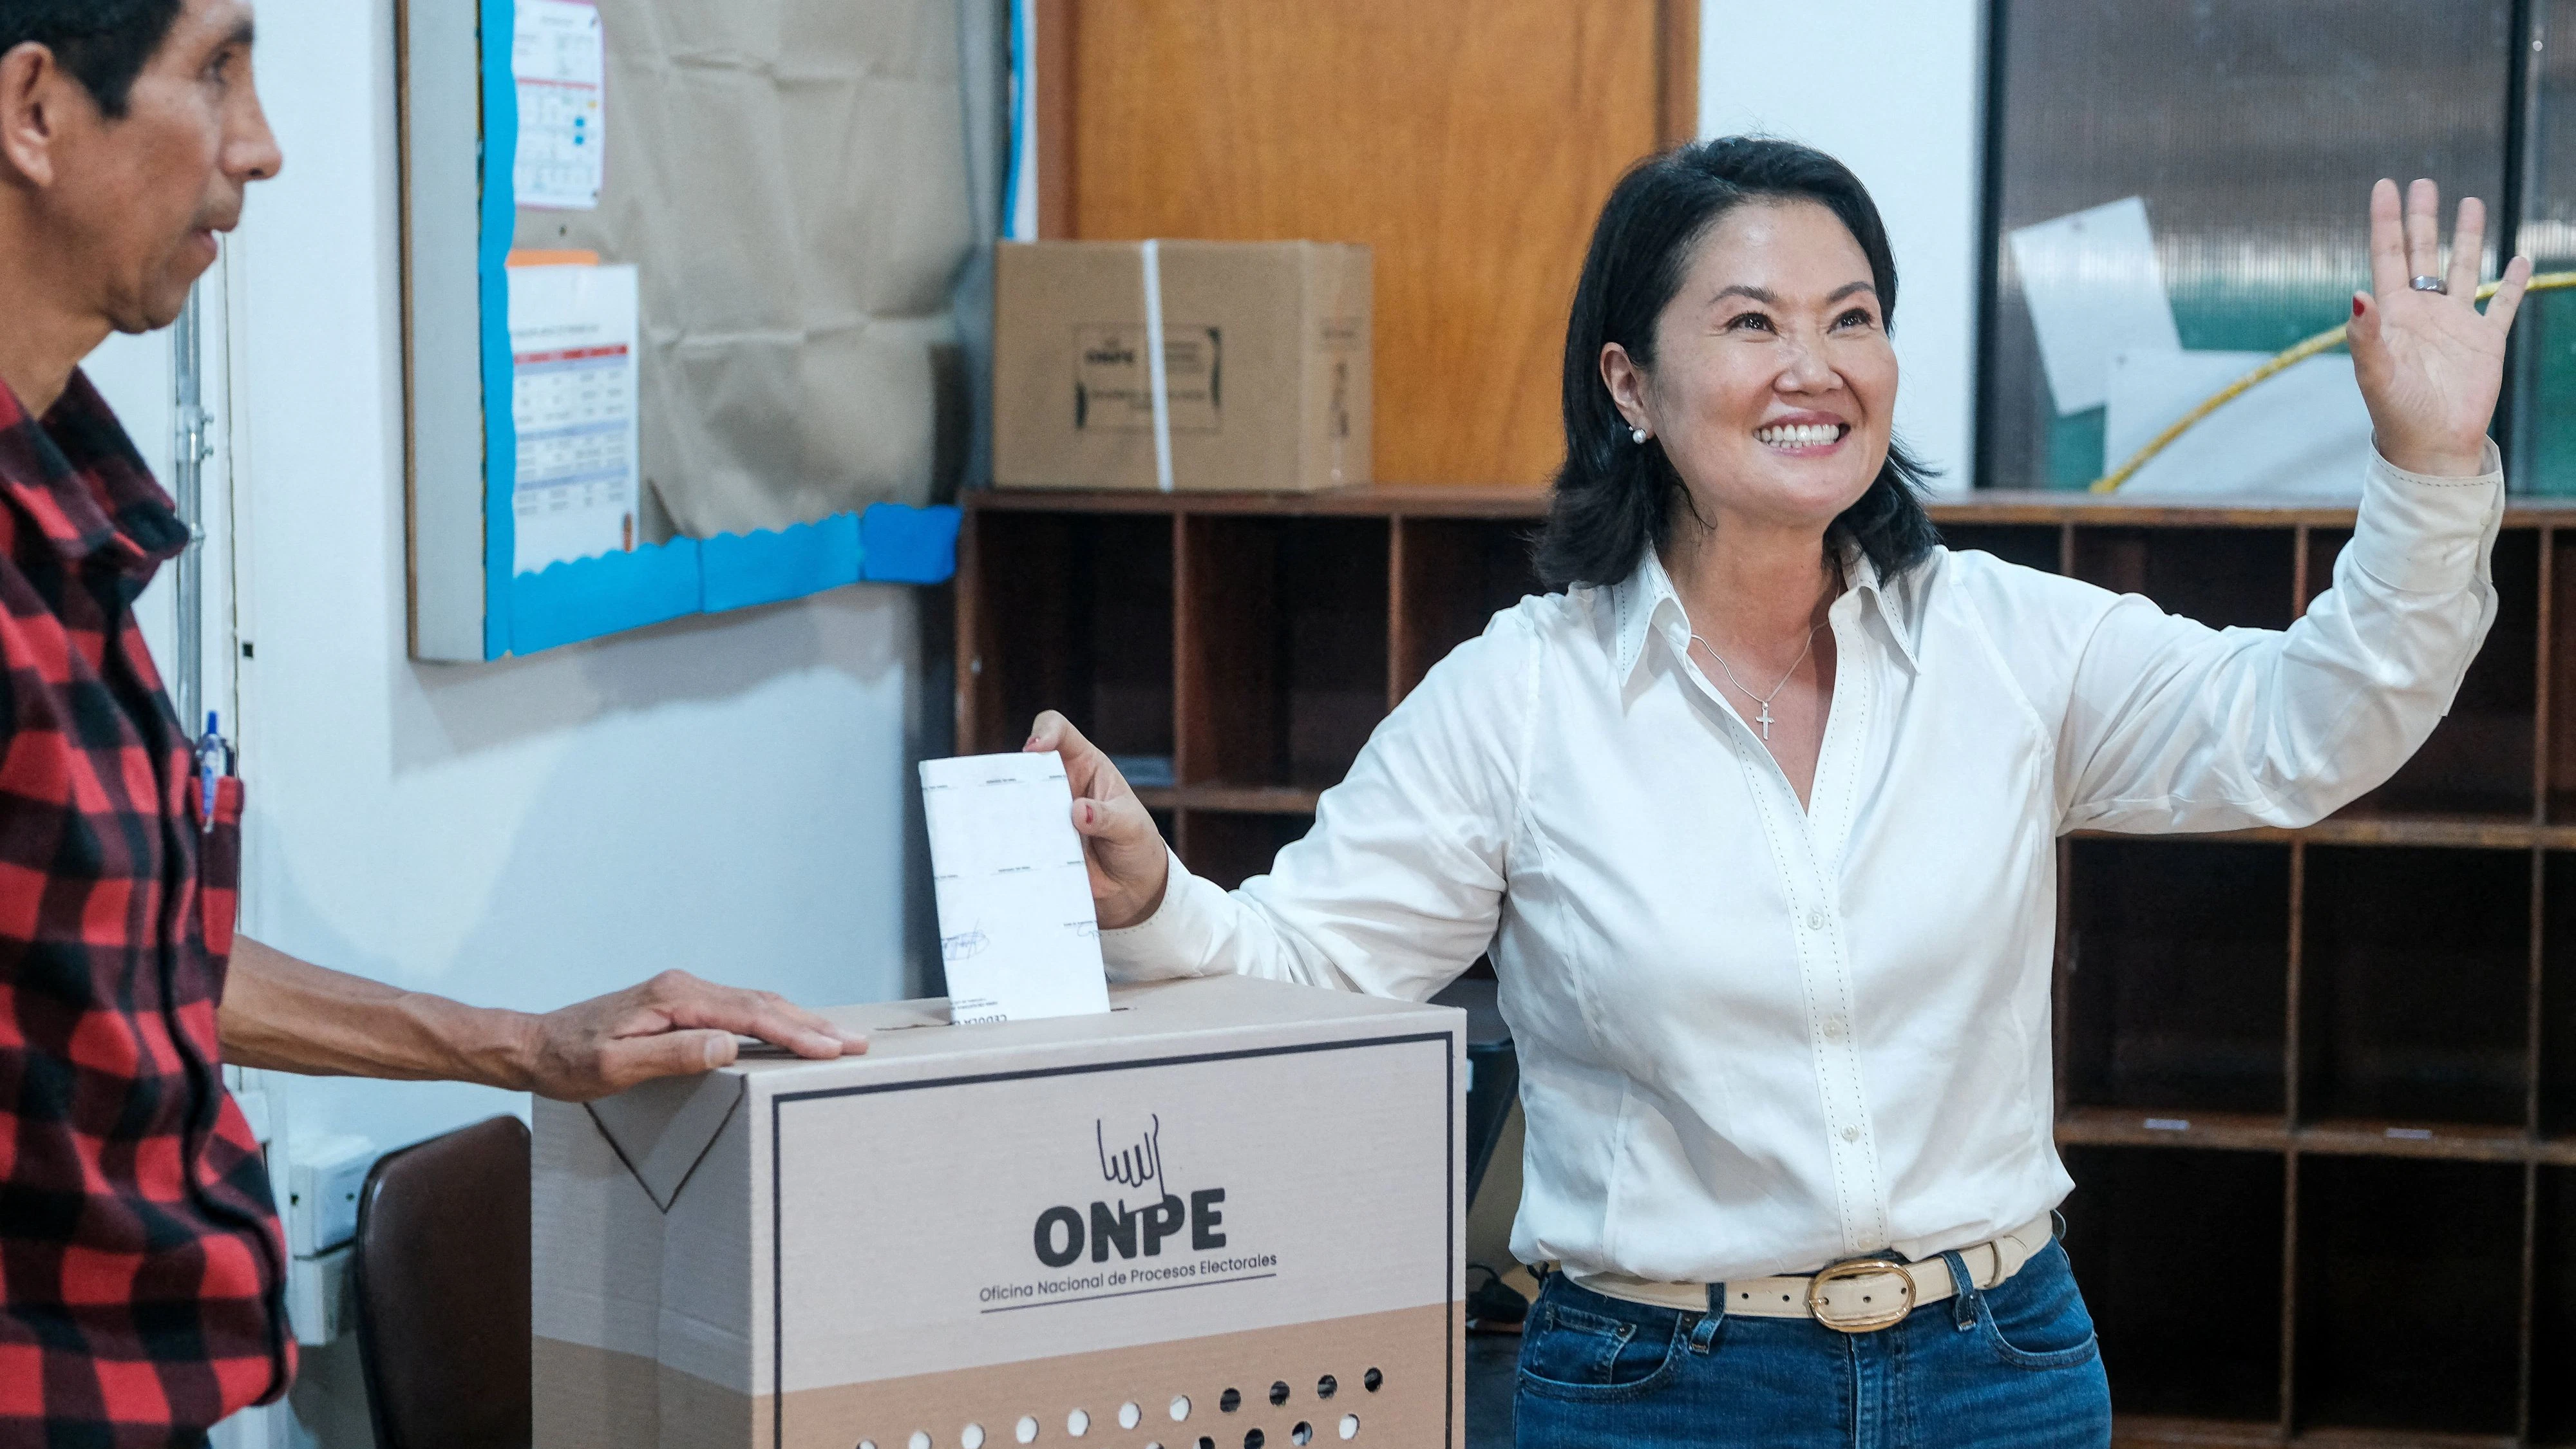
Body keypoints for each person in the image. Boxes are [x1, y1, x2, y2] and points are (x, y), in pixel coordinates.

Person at [1029, 137, 2529, 1446]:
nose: (1813, 368)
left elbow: (2302, 729)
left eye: (1851, 320)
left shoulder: (2000, 638)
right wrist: (1153, 898)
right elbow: (1316, 968)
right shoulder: (1524, 697)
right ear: (1629, 382)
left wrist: (2427, 462)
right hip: (1659, 1386)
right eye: (1750, 323)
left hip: (1997, 1367)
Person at [0, 3, 867, 1442]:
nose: (263, 147)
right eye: (216, 70)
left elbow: (121, 946)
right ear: (35, 108)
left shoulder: (67, 501)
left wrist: (529, 1047)